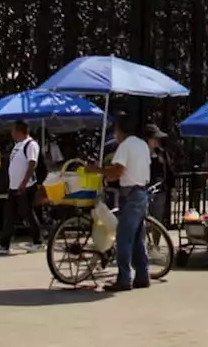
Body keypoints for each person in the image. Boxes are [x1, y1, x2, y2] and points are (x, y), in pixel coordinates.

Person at [90, 118, 153, 291]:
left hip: (131, 194)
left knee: (123, 238)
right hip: (142, 192)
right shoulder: (142, 145)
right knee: (138, 238)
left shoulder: (125, 146)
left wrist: (99, 170)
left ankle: (124, 278)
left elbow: (118, 171)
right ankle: (142, 275)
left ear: (120, 130)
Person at [0, 121, 41, 255]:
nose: (11, 133)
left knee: (27, 213)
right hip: (14, 187)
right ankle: (4, 244)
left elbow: (32, 163)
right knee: (9, 215)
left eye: (13, 130)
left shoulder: (31, 144)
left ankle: (38, 241)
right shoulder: (18, 145)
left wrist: (24, 182)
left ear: (20, 131)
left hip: (26, 186)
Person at [145, 123, 172, 224]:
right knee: (146, 219)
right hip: (146, 189)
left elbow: (169, 169)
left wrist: (172, 187)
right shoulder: (141, 153)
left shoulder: (162, 152)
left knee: (158, 219)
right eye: (154, 138)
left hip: (160, 190)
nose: (157, 141)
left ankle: (156, 239)